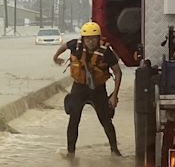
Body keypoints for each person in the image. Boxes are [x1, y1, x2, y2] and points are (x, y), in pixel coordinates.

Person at [52, 21, 122, 159]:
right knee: (74, 120)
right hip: (79, 88)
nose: (90, 41)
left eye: (94, 38)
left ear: (98, 38)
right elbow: (64, 46)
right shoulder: (75, 45)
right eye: (88, 38)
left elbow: (118, 72)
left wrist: (114, 96)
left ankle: (115, 151)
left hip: (98, 90)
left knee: (106, 121)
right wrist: (55, 57)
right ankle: (71, 154)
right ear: (83, 39)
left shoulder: (106, 52)